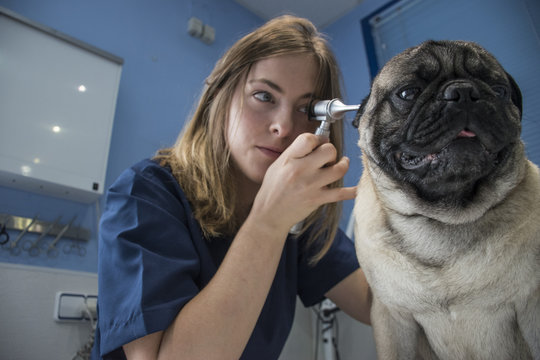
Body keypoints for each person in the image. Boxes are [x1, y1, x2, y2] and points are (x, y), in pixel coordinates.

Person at [92, 15, 372, 360]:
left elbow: (373, 304)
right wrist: (268, 222)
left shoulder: (300, 219)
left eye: (305, 109)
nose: (284, 128)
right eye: (264, 96)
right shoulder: (148, 193)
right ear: (219, 96)